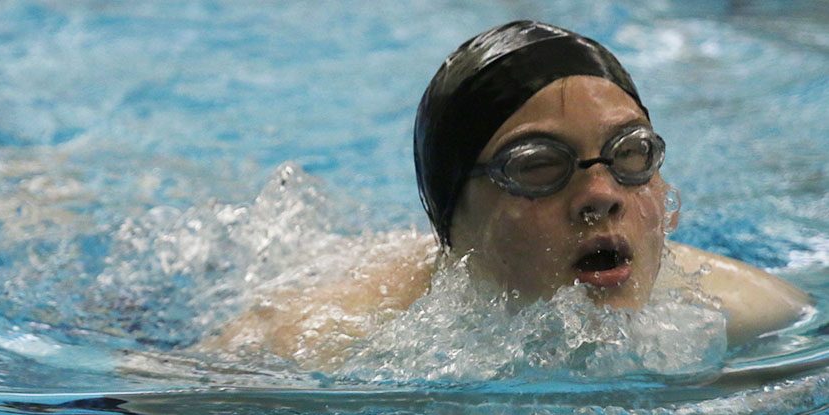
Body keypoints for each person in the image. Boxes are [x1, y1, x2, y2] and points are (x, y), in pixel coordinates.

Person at [198, 20, 810, 369]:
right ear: (449, 219)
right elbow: (153, 411)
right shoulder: (322, 336)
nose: (600, 194)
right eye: (540, 166)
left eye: (629, 154)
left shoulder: (757, 310)